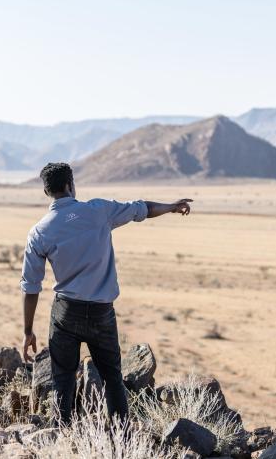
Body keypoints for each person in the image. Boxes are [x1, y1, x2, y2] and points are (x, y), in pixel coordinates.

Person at [20, 162, 192, 426]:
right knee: (112, 377)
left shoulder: (39, 232)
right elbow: (142, 209)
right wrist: (171, 206)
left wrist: (28, 330)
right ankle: (121, 436)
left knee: (63, 379)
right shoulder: (99, 210)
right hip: (101, 312)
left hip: (65, 312)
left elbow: (31, 286)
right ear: (70, 185)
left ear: (46, 192)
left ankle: (60, 436)